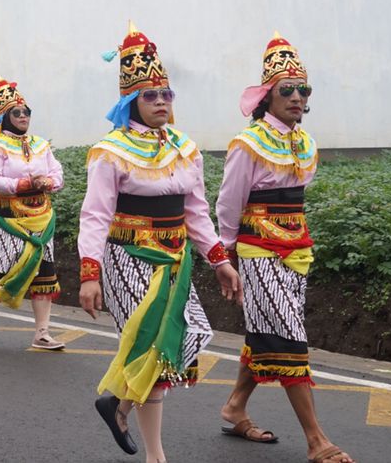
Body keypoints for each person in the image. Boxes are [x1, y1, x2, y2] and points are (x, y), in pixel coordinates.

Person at [79, 23, 241, 463]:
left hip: (173, 260)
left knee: (185, 338)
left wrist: (220, 261)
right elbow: (95, 215)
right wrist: (90, 273)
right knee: (150, 346)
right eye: (150, 95)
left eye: (166, 94)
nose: (161, 102)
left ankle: (118, 405)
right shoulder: (110, 151)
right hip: (128, 258)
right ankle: (156, 455)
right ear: (131, 101)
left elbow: (196, 212)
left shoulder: (185, 148)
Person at [212, 34, 350, 461]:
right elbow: (229, 202)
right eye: (286, 90)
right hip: (258, 250)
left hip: (297, 249)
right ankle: (316, 440)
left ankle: (235, 406)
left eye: (303, 90)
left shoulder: (305, 141)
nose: (296, 97)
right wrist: (226, 255)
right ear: (267, 96)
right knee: (288, 337)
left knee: (267, 331)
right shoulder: (248, 143)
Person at [0, 79, 66, 348]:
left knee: (45, 270)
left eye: (27, 112)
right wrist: (24, 184)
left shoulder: (40, 144)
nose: (23, 116)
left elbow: (57, 172)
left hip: (41, 214)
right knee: (14, 269)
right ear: (5, 117)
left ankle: (42, 332)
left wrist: (49, 182)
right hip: (9, 216)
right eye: (17, 113)